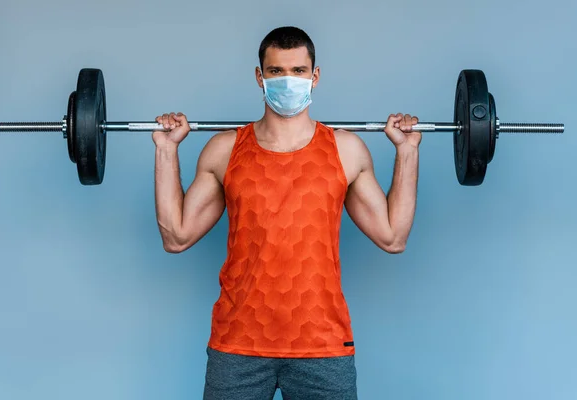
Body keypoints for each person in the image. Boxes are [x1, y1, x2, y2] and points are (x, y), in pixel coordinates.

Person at [152, 26, 420, 400]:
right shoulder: (225, 150)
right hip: (238, 342)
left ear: (315, 76)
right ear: (260, 77)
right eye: (276, 71)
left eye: (298, 70)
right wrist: (166, 150)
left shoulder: (345, 150)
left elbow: (393, 237)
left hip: (322, 344)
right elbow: (176, 236)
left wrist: (407, 152)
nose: (288, 80)